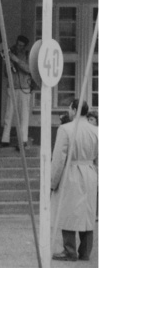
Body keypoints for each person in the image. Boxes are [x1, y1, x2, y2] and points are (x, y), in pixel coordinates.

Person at [51, 99, 99, 262]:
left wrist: (52, 182)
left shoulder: (66, 129)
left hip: (71, 171)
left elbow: (59, 158)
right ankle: (85, 251)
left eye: (70, 109)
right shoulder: (96, 130)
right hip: (90, 172)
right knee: (87, 212)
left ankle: (69, 250)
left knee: (68, 211)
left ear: (73, 110)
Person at [0, 35, 33, 150]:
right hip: (12, 86)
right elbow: (6, 74)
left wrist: (16, 60)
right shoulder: (10, 53)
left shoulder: (28, 55)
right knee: (8, 114)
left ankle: (23, 141)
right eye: (18, 44)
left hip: (24, 88)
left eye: (21, 45)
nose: (18, 47)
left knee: (24, 115)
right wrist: (9, 63)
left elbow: (29, 69)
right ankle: (5, 139)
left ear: (25, 46)